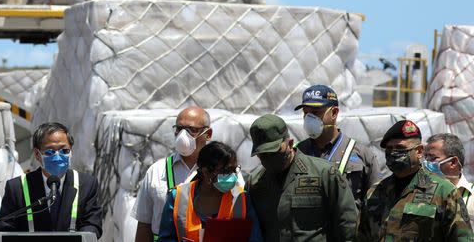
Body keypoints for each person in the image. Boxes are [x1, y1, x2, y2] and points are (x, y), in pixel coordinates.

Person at [245, 113, 356, 242]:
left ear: (290, 143)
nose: (269, 159)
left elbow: (347, 224)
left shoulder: (324, 173)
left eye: (273, 152)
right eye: (263, 155)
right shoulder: (256, 182)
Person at [357, 120, 473, 241]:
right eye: (389, 149)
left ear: (419, 151)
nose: (393, 153)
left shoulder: (444, 192)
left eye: (400, 148)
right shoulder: (374, 192)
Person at [0, 122, 102, 237]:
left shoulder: (87, 184)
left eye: (64, 151)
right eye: (50, 152)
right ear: (37, 154)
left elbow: (93, 224)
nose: (57, 157)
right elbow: (4, 228)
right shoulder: (17, 187)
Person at [133, 106, 213, 242]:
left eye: (191, 130)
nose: (183, 135)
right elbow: (144, 225)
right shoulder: (157, 171)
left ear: (208, 134)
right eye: (179, 129)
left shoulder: (223, 172)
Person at [293, 84, 379, 208]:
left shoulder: (362, 154)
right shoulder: (296, 152)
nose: (308, 118)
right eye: (305, 113)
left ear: (334, 112)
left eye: (315, 112)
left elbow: (374, 204)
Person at [157, 141, 262, 242]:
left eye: (234, 170)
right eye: (226, 171)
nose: (233, 176)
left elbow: (254, 238)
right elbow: (166, 238)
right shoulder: (178, 198)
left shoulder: (242, 198)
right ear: (206, 172)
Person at [424, 133, 474, 242]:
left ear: (453, 162)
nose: (426, 163)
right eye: (425, 157)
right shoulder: (419, 194)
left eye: (432, 158)